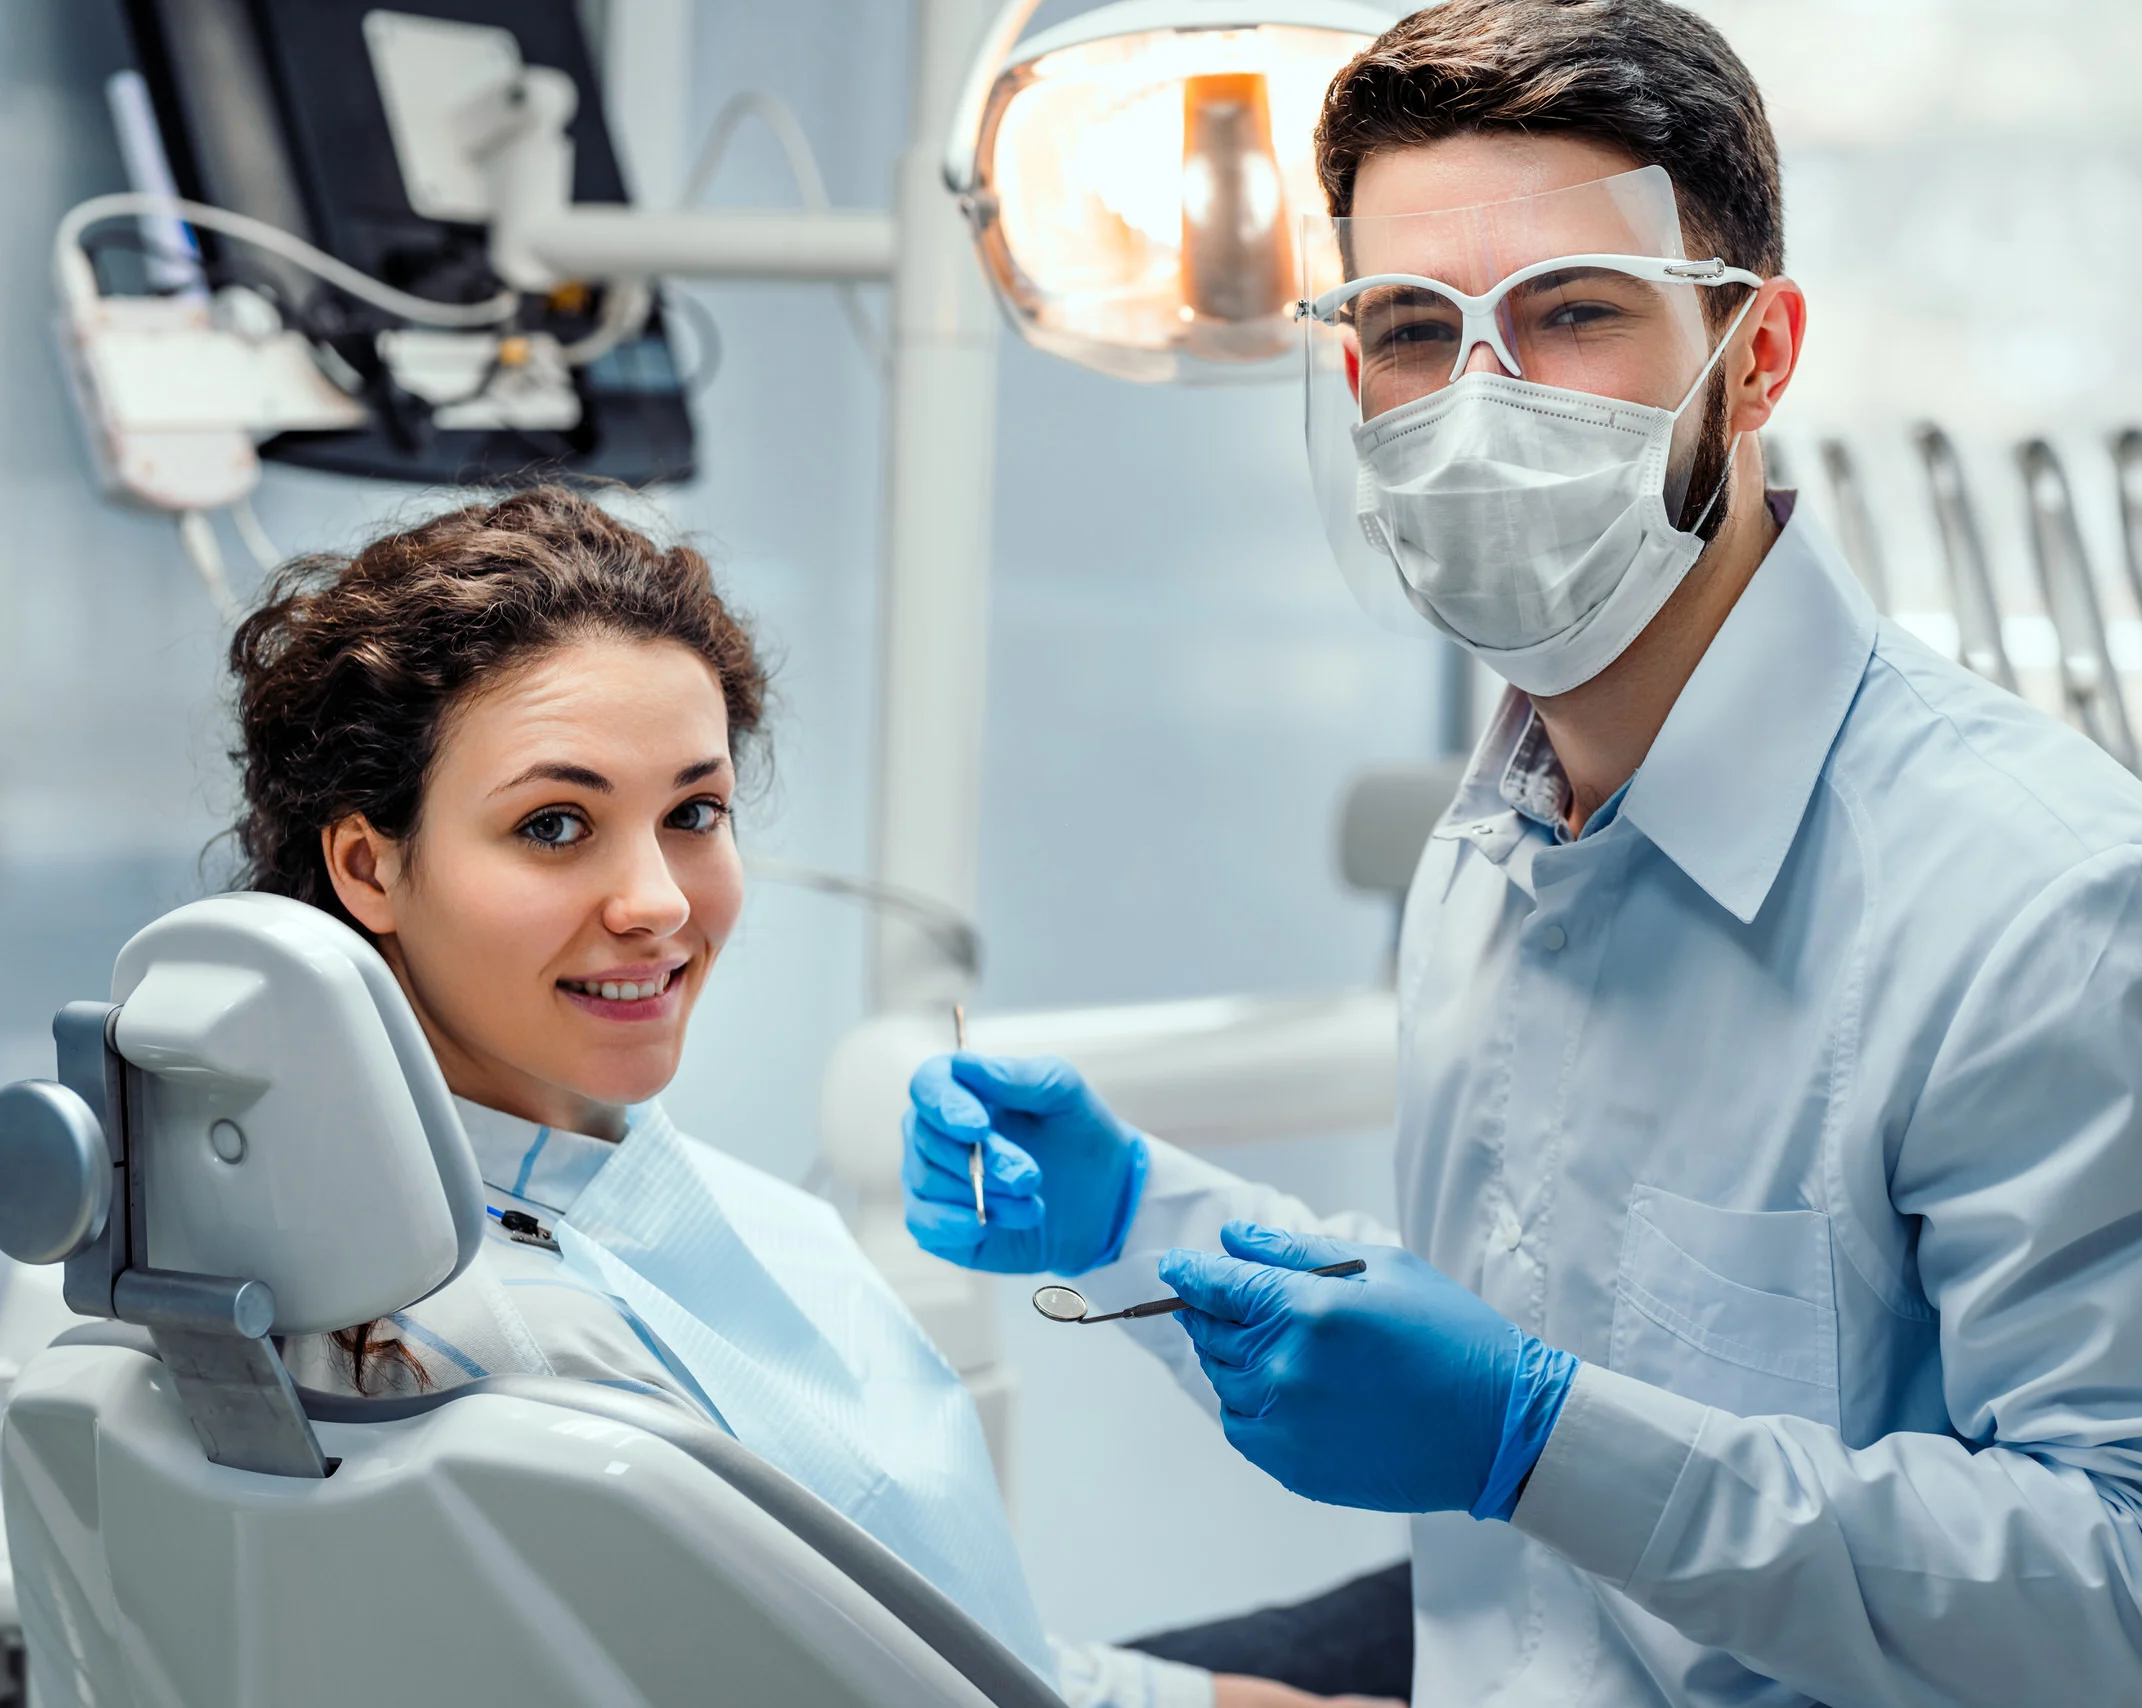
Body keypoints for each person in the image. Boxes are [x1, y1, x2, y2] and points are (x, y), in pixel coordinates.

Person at [903, 1, 2142, 1704]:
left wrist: (1540, 1439)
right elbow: (1515, 1337)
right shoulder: (1500, 837)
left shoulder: (2057, 915)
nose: (1480, 399)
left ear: (1761, 355)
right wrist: (1139, 1218)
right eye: (1418, 326)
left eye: (1572, 312)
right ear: (1355, 372)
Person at [227, 486, 1390, 1708]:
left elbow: (927, 1648)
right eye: (556, 823)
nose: (658, 902)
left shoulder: (548, 1181)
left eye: (695, 813)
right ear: (369, 865)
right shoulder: (521, 1354)